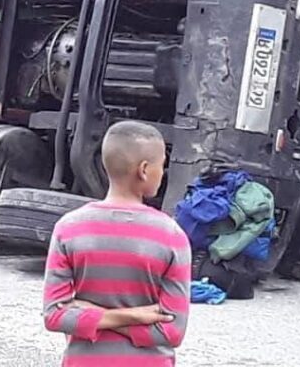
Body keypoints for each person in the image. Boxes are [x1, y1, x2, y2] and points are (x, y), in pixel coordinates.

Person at [43, 120, 191, 366]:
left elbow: (54, 315)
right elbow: (172, 332)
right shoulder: (171, 235)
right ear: (144, 170)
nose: (162, 173)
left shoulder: (68, 228)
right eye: (162, 165)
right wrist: (133, 316)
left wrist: (94, 313)